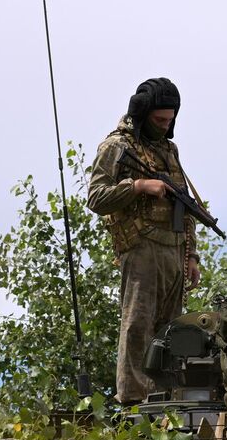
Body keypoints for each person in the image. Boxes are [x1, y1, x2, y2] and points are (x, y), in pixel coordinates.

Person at [87, 77, 214, 404]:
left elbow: (183, 206)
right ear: (143, 114)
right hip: (142, 248)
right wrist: (139, 186)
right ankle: (132, 400)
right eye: (160, 120)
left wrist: (192, 256)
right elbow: (96, 197)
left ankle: (163, 401)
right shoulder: (116, 147)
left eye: (170, 120)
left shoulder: (169, 150)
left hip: (174, 250)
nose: (166, 126)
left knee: (170, 334)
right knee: (138, 327)